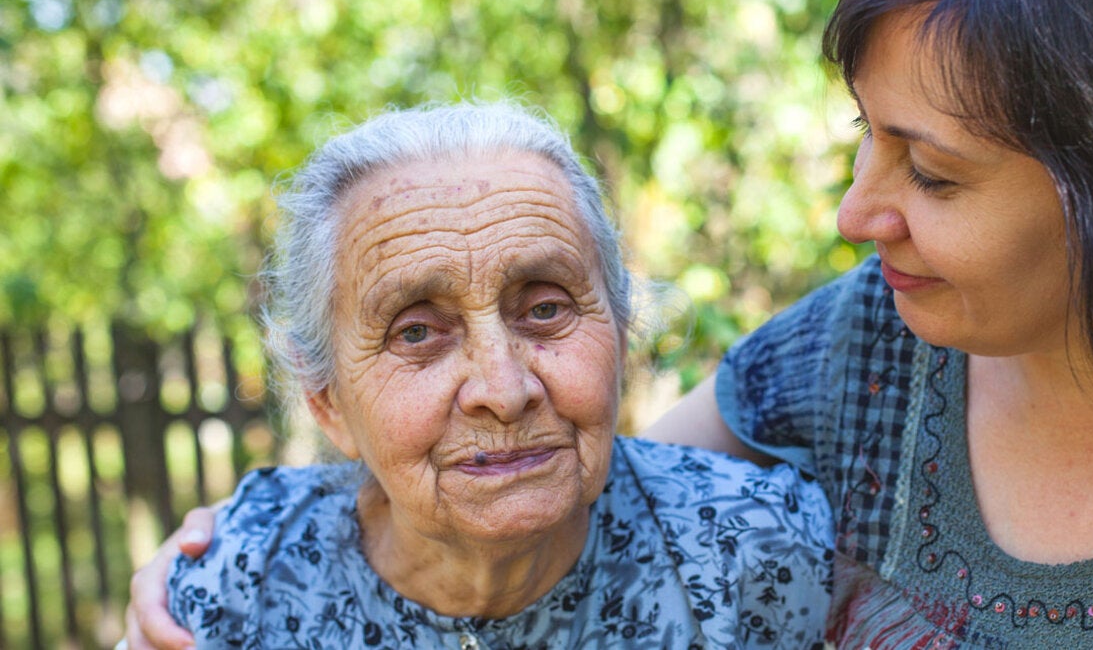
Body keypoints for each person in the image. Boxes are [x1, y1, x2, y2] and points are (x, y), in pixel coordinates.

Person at [130, 0, 1093, 647]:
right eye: (867, 137)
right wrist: (240, 553)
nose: (857, 214)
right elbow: (564, 483)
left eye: (932, 171)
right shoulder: (858, 349)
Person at [142, 101, 833, 649]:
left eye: (545, 309)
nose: (503, 392)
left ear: (622, 340)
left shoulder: (760, 551)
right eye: (417, 332)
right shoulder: (237, 589)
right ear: (328, 403)